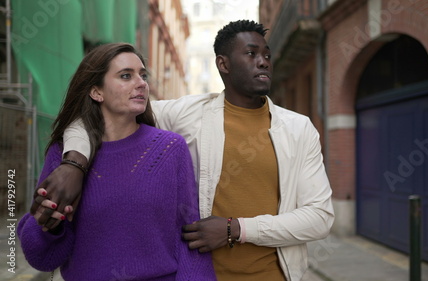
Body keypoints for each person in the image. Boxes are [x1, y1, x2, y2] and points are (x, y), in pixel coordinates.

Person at [33, 20, 335, 281]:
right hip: (199, 272)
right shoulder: (188, 114)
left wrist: (237, 229)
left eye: (266, 55)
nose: (264, 61)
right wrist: (74, 164)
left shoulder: (299, 129)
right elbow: (97, 116)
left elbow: (319, 217)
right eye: (252, 54)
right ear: (223, 64)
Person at [18, 43, 216, 280]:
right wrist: (50, 227)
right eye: (126, 76)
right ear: (96, 92)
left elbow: (189, 237)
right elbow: (43, 258)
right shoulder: (64, 154)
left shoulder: (171, 149)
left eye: (143, 75)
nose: (141, 83)